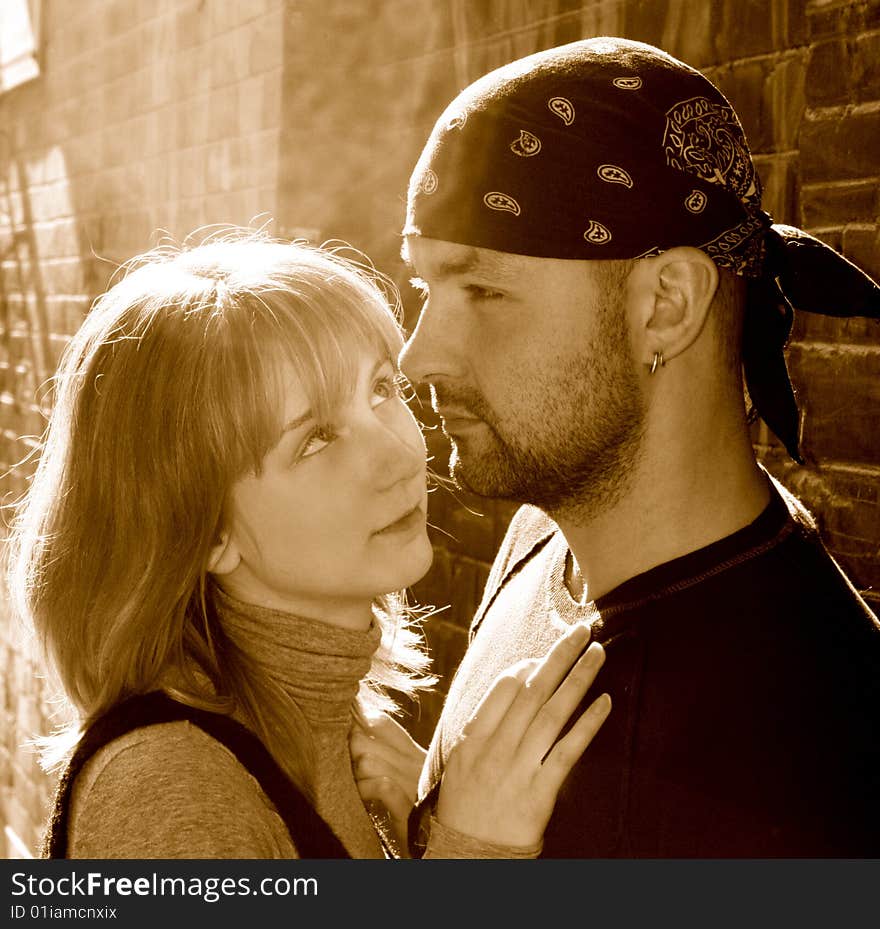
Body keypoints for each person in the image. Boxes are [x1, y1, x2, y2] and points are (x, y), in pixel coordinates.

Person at [389, 36, 880, 857]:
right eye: (424, 285)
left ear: (665, 305)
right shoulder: (550, 537)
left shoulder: (793, 779)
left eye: (482, 289)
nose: (418, 354)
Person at [5, 230, 612, 859]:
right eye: (317, 438)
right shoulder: (169, 791)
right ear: (208, 531)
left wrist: (423, 831)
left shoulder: (345, 742)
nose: (401, 454)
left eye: (381, 389)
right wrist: (472, 852)